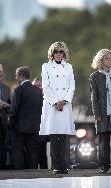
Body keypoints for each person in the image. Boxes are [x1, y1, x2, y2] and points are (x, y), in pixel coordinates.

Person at [39, 41, 75, 174]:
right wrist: (56, 102)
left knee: (64, 136)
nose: (59, 54)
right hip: (52, 105)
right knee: (54, 136)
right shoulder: (46, 67)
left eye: (61, 52)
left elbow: (72, 86)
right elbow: (45, 86)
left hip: (65, 104)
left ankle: (64, 165)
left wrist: (65, 100)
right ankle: (56, 165)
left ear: (64, 53)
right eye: (56, 52)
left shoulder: (69, 67)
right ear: (52, 54)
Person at [10, 67, 43, 169]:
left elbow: (14, 110)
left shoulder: (18, 90)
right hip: (34, 127)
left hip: (19, 128)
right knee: (33, 152)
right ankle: (33, 172)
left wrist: (11, 124)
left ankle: (19, 173)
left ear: (20, 76)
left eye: (16, 75)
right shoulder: (38, 91)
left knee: (18, 151)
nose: (16, 78)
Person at [32, 78, 49, 169]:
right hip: (31, 130)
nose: (37, 88)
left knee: (42, 153)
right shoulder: (29, 98)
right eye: (35, 86)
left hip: (42, 130)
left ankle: (44, 172)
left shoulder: (47, 99)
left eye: (39, 86)